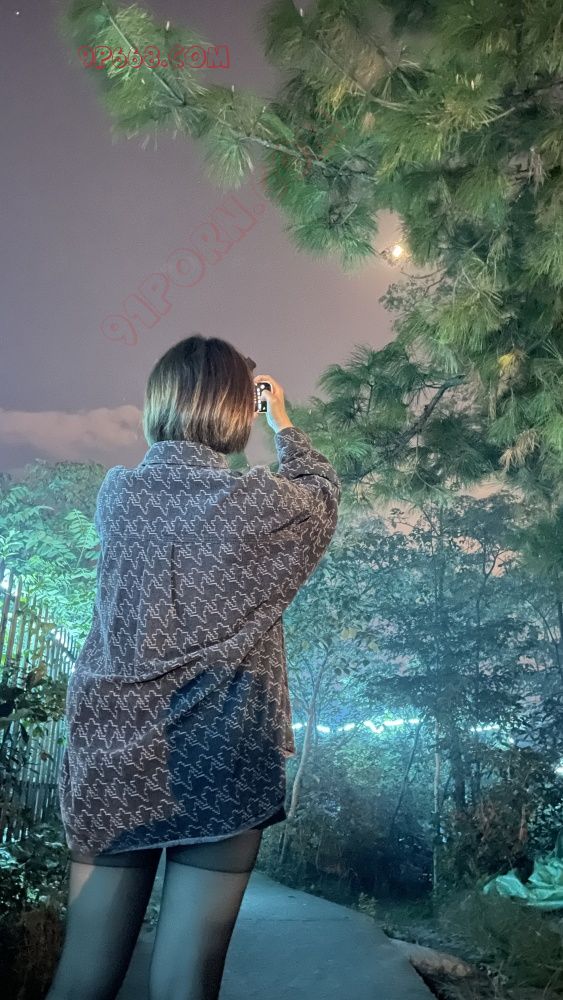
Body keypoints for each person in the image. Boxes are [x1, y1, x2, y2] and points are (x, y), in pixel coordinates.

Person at [45, 334, 342, 1000]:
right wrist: (282, 421)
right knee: (184, 983)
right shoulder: (257, 505)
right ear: (236, 411)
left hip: (113, 761)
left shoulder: (119, 496)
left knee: (81, 979)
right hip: (218, 762)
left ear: (161, 401)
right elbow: (321, 496)